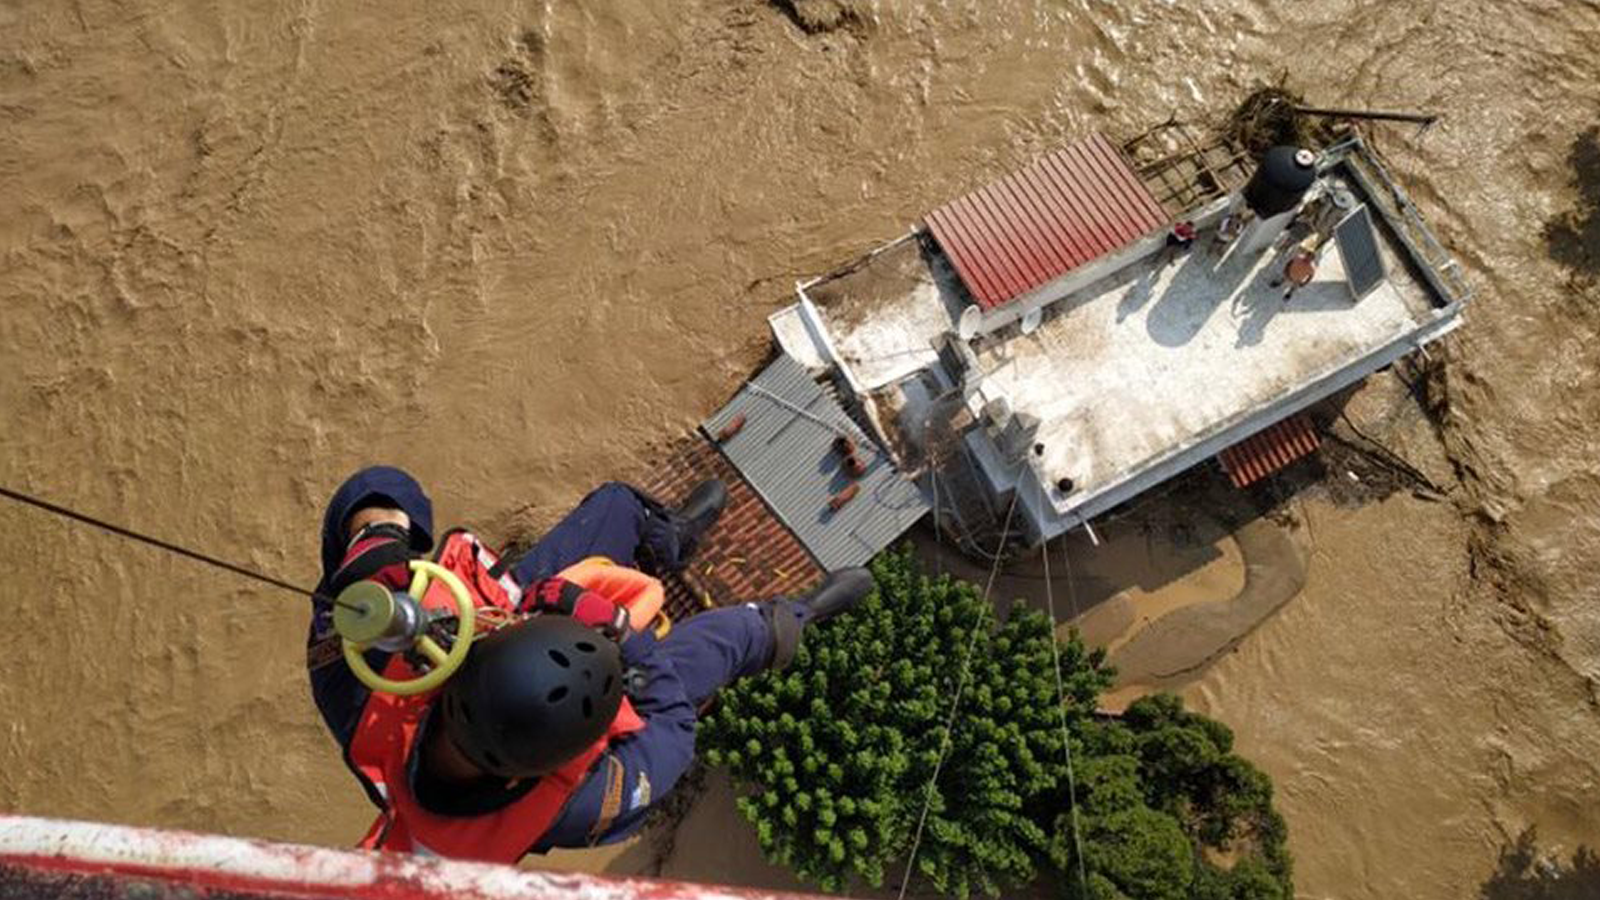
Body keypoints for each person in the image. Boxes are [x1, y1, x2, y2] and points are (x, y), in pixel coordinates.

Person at [305, 465, 873, 862]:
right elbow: (672, 730)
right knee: (722, 642)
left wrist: (373, 536)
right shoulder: (574, 806)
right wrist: (624, 633)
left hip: (513, 613)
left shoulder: (360, 693)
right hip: (616, 665)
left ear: (457, 673)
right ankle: (791, 620)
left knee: (616, 508)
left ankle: (666, 541)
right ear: (534, 774)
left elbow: (372, 492)